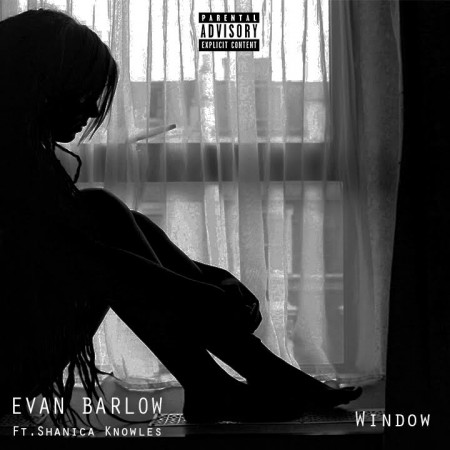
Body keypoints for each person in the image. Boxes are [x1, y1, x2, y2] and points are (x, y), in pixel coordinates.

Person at [0, 9, 361, 426]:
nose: (93, 110)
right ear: (41, 84)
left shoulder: (24, 161)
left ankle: (233, 379)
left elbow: (85, 250)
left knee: (102, 211)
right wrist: (202, 293)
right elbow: (86, 259)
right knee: (100, 213)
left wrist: (205, 283)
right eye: (83, 93)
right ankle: (234, 379)